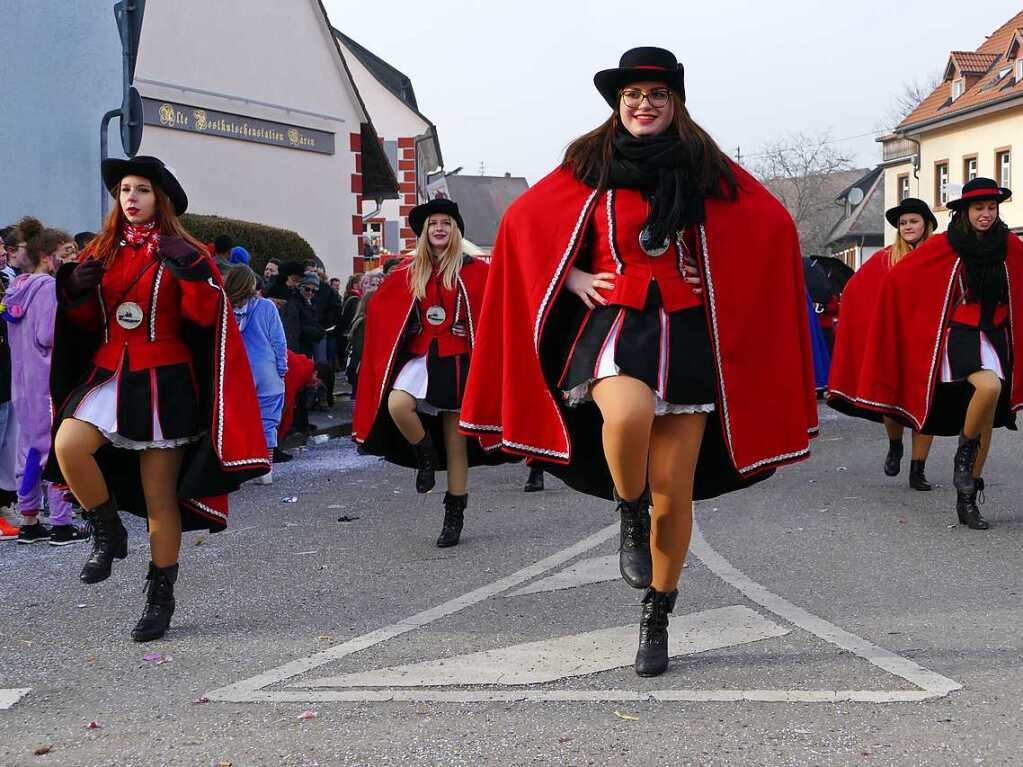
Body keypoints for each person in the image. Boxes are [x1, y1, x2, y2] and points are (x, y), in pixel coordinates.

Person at [458, 47, 817, 676]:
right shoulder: (587, 166)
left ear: (674, 102)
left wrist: (720, 277)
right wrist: (571, 279)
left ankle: (659, 611)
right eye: (632, 95)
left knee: (675, 496)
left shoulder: (705, 167)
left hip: (687, 332)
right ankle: (628, 509)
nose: (643, 104)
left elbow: (769, 225)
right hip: (616, 322)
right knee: (625, 417)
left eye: (655, 94)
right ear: (617, 104)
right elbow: (522, 228)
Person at [47, 155, 269, 641]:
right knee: (67, 446)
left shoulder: (186, 251)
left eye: (142, 189)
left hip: (164, 381)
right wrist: (75, 297)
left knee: (159, 499)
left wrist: (192, 276)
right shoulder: (99, 253)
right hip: (108, 374)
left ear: (160, 199)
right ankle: (107, 529)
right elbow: (84, 329)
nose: (131, 198)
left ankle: (159, 594)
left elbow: (206, 320)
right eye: (125, 189)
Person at [857, 178, 1023, 530]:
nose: (986, 214)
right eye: (979, 208)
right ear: (965, 211)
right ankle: (963, 457)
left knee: (989, 418)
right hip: (961, 336)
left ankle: (967, 497)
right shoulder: (946, 244)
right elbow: (899, 280)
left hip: (997, 336)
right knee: (988, 388)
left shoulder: (1008, 244)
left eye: (991, 208)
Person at [352, 199, 504, 547]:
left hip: (458, 361)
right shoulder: (408, 272)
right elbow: (382, 311)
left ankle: (454, 514)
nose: (439, 228)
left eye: (446, 223)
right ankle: (424, 452)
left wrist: (471, 326)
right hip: (422, 357)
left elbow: (495, 311)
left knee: (457, 444)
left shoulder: (476, 271)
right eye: (433, 223)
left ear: (455, 230)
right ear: (424, 232)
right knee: (397, 404)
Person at [827, 198, 938, 490]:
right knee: (892, 404)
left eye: (913, 221)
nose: (908, 227)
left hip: (929, 343)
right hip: (895, 342)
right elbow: (854, 292)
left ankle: (918, 468)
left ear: (926, 224)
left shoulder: (939, 256)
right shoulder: (885, 259)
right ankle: (895, 445)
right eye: (903, 223)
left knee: (926, 405)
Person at [3, 221, 87, 546]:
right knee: (55, 450)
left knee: (30, 450)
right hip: (48, 381)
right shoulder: (49, 289)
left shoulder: (17, 290)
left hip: (22, 383)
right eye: (66, 254)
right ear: (47, 257)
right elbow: (48, 335)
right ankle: (62, 524)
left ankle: (29, 519)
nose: (72, 259)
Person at [225, 266, 287, 484]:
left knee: (238, 422)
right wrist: (282, 368)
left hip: (236, 373)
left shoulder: (223, 308)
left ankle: (239, 467)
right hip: (266, 371)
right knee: (268, 421)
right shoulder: (266, 307)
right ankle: (265, 469)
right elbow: (278, 341)